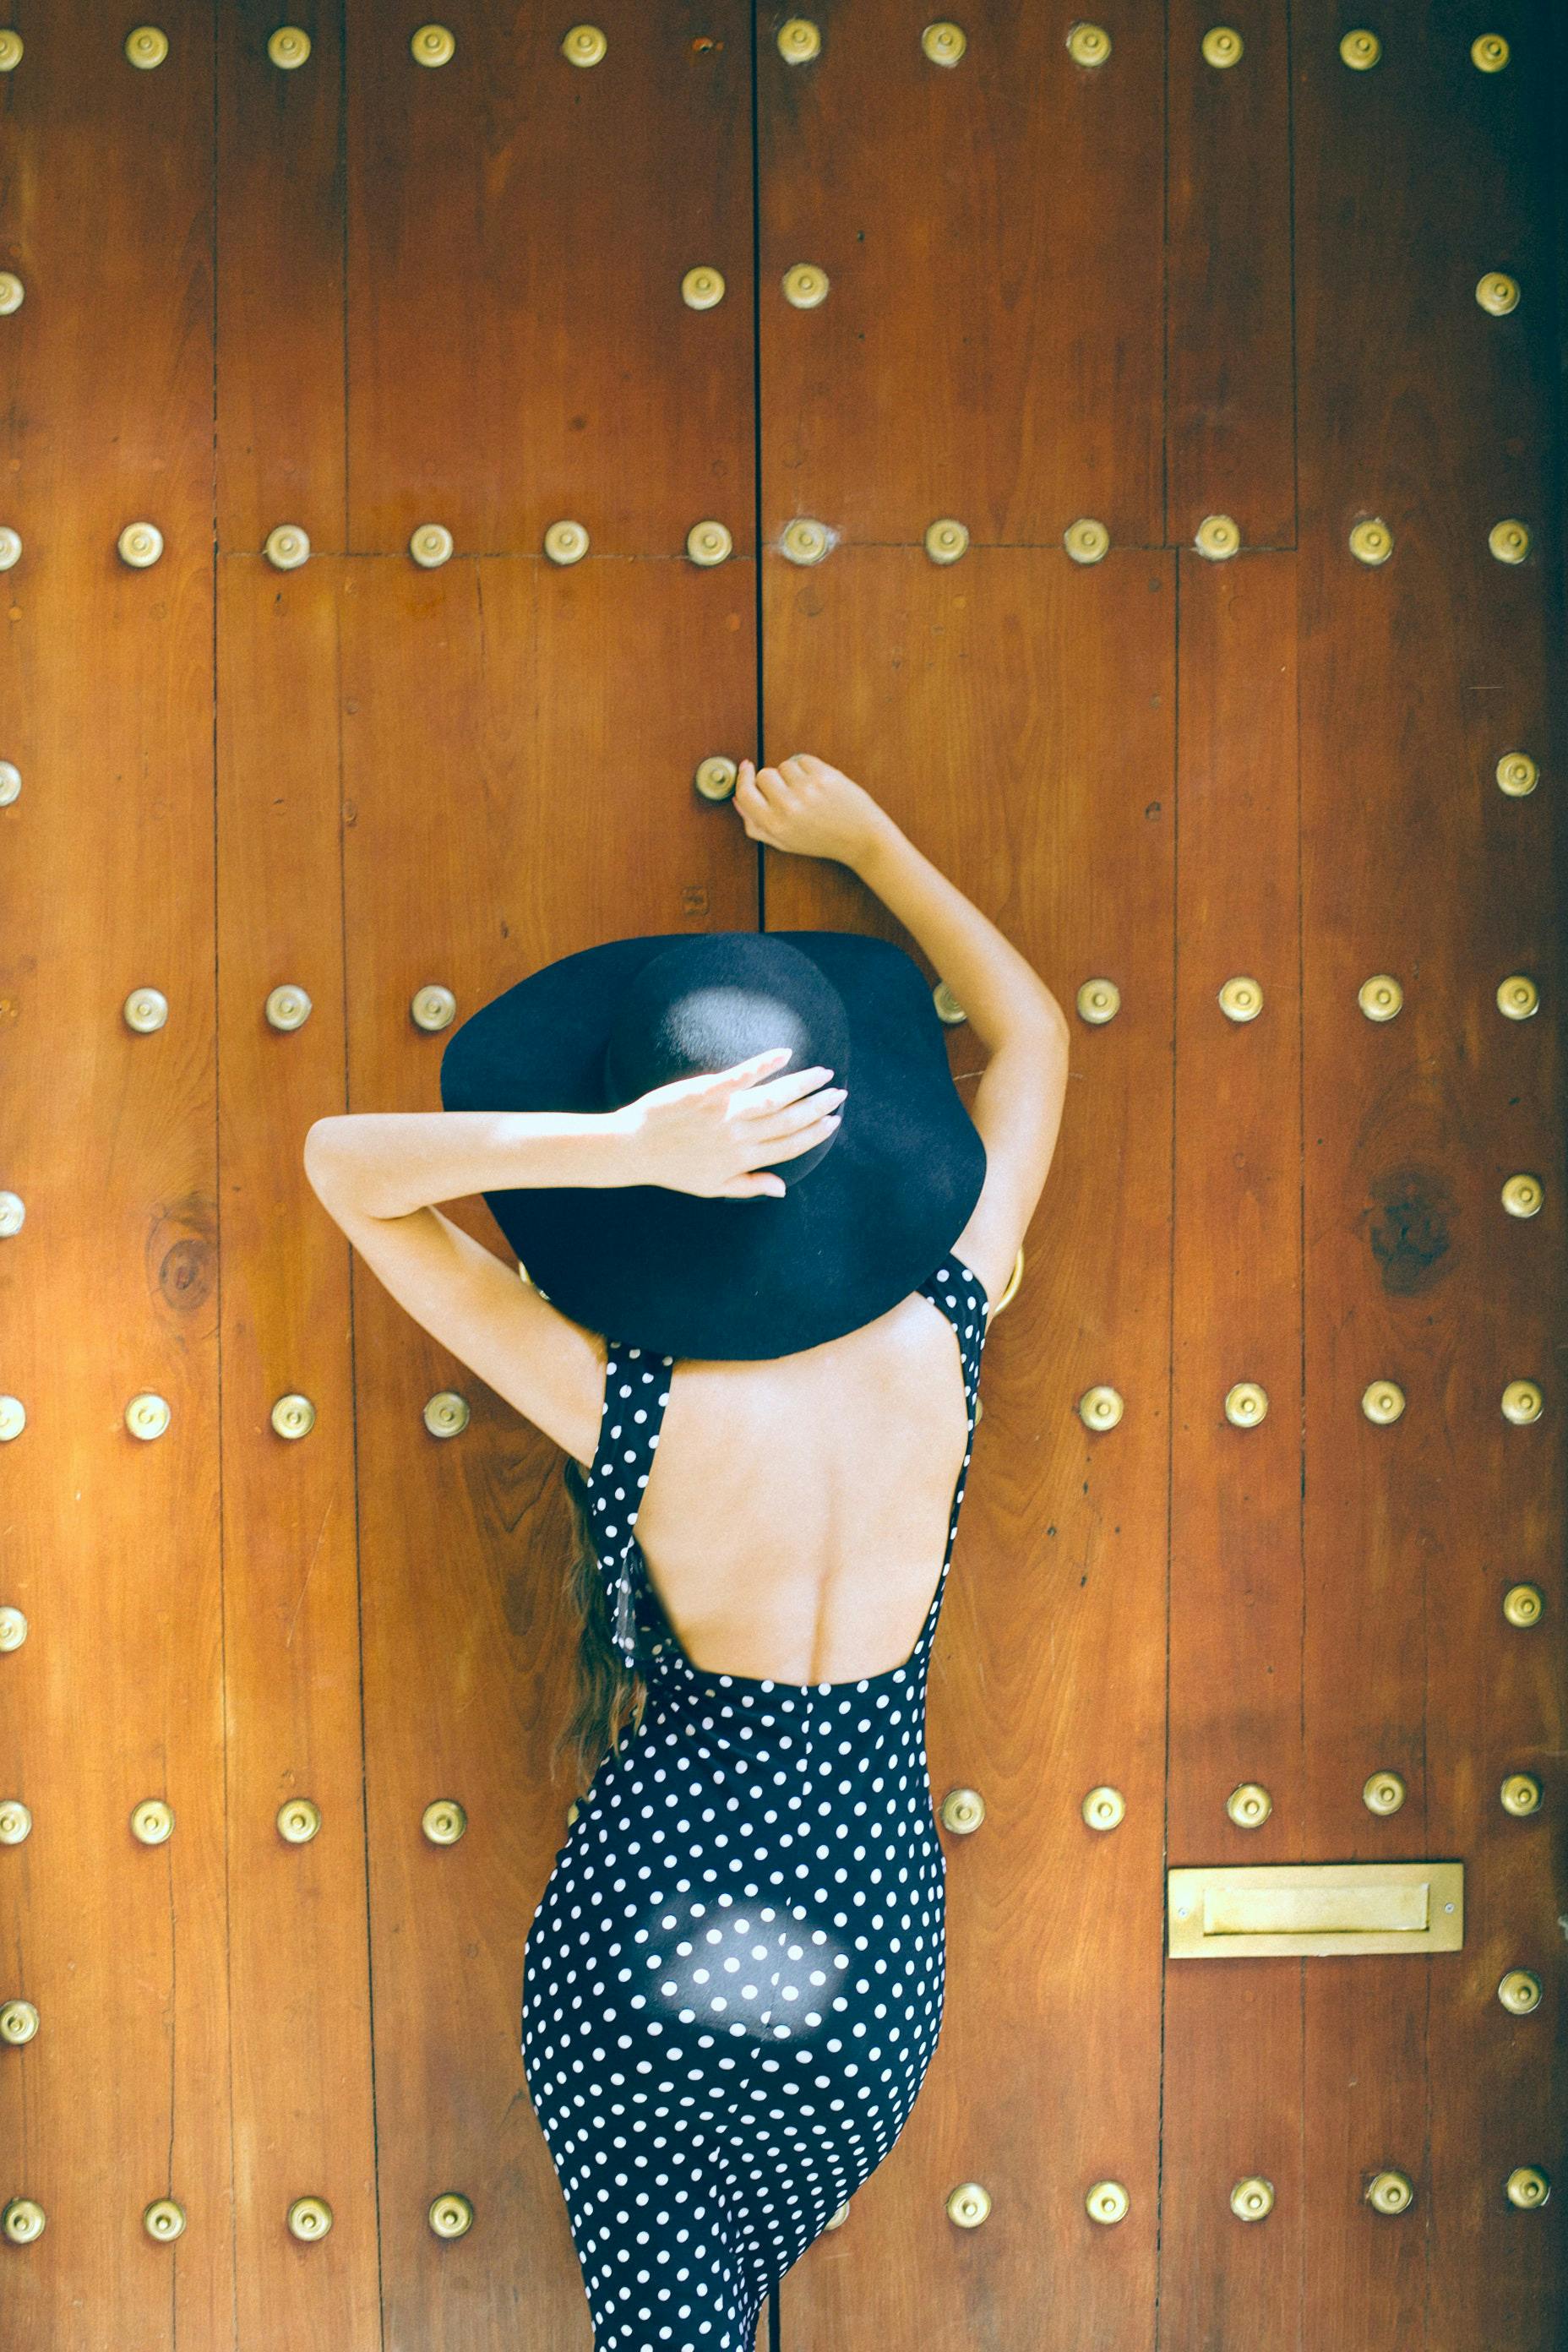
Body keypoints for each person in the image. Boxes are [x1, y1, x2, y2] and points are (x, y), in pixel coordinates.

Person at [302, 754, 1070, 2350]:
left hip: (656, 1914)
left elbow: (344, 1174)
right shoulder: (953, 1317)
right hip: (867, 1936)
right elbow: (1035, 1038)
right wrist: (874, 838)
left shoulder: (623, 1395)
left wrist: (618, 1152)